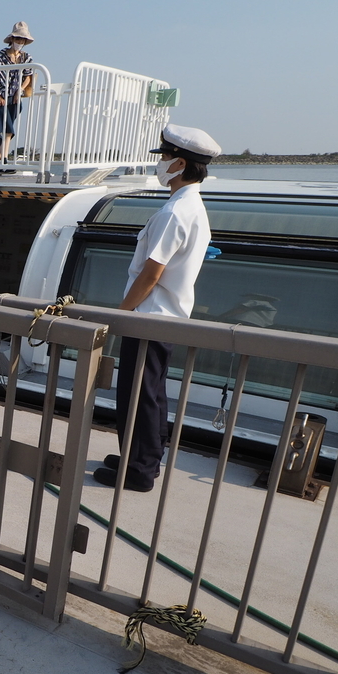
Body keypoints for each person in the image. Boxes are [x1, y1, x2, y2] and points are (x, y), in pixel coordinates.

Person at [94, 124, 220, 491]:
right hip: (165, 318)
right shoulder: (190, 205)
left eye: (165, 157)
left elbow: (151, 274)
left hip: (149, 318)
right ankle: (144, 457)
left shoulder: (174, 212)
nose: (160, 163)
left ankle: (139, 471)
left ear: (180, 163)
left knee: (139, 394)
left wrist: (120, 314)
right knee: (151, 392)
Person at [0, 22, 35, 175]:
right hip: (1, 97)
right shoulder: (1, 55)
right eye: (18, 39)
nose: (20, 43)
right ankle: (3, 162)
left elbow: (28, 76)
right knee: (5, 131)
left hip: (15, 98)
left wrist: (19, 91)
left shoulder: (26, 57)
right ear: (12, 39)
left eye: (23, 40)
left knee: (6, 131)